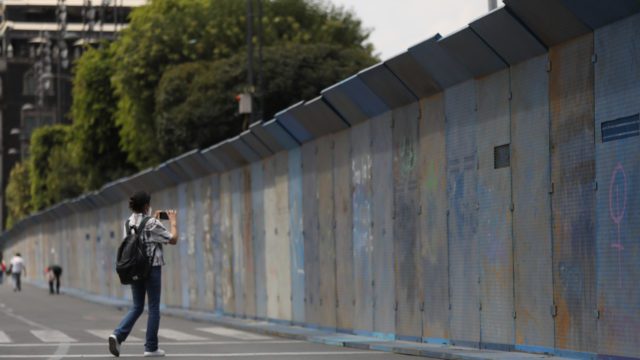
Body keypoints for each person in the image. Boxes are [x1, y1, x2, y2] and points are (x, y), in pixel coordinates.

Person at [109, 191, 178, 358]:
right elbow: (173, 239)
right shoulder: (152, 222)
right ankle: (151, 347)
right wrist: (173, 221)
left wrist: (153, 219)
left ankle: (118, 335)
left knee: (137, 306)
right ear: (146, 206)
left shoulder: (127, 222)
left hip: (134, 269)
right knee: (153, 308)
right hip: (152, 268)